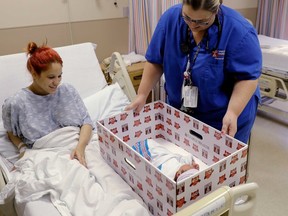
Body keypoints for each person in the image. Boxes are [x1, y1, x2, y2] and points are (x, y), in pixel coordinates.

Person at [126, 0, 262, 144]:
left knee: (217, 162)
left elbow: (247, 77)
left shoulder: (239, 31)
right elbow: (155, 60)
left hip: (223, 115)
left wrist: (233, 112)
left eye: (202, 21)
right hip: (182, 110)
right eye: (187, 18)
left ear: (217, 10)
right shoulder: (171, 19)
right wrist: (142, 94)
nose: (193, 25)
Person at [1, 42, 93, 167]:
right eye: (51, 77)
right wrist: (22, 149)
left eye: (59, 76)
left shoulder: (67, 91)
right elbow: (11, 131)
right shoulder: (16, 103)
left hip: (82, 144)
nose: (57, 82)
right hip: (47, 155)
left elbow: (86, 121)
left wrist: (80, 147)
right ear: (34, 74)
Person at [133, 139, 199, 181]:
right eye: (192, 168)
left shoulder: (168, 173)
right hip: (165, 155)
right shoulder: (182, 167)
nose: (191, 166)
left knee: (152, 148)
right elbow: (185, 159)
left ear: (178, 174)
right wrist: (193, 163)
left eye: (190, 168)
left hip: (159, 158)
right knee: (153, 145)